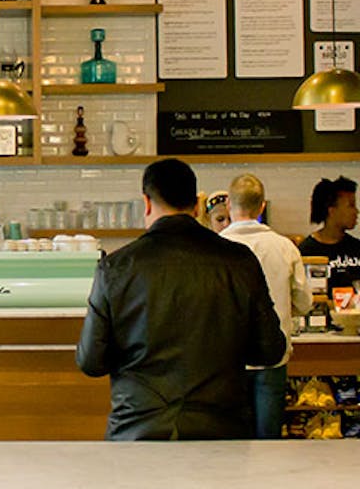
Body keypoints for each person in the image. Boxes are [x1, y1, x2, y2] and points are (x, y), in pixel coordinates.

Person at [76, 158, 285, 440]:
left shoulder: (115, 267)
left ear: (146, 204)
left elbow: (91, 361)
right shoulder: (239, 261)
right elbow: (270, 350)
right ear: (197, 206)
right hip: (222, 432)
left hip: (136, 432)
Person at [220, 173, 312, 438]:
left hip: (228, 361)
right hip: (273, 358)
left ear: (229, 205)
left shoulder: (216, 247)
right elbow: (304, 303)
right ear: (262, 207)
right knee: (268, 442)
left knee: (232, 442)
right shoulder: (285, 247)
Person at [299, 176, 360, 297]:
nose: (356, 211)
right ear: (332, 210)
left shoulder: (357, 247)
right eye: (351, 205)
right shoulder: (307, 252)